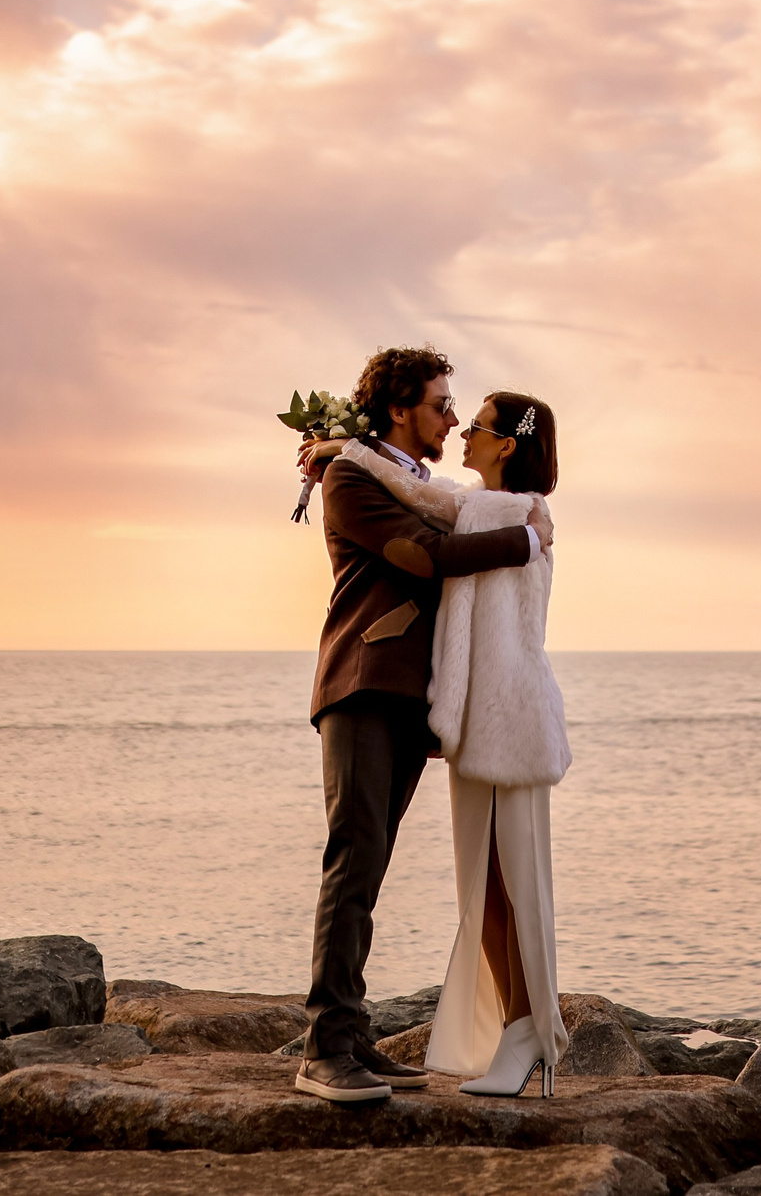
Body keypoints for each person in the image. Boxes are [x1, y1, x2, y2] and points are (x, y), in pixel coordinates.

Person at [293, 347, 555, 1106]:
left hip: (411, 698)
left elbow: (441, 506)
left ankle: (351, 1032)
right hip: (362, 684)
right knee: (353, 858)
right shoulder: (350, 480)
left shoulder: (405, 479)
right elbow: (422, 554)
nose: (451, 416)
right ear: (400, 407)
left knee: (369, 865)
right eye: (441, 403)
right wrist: (525, 539)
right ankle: (324, 1048)